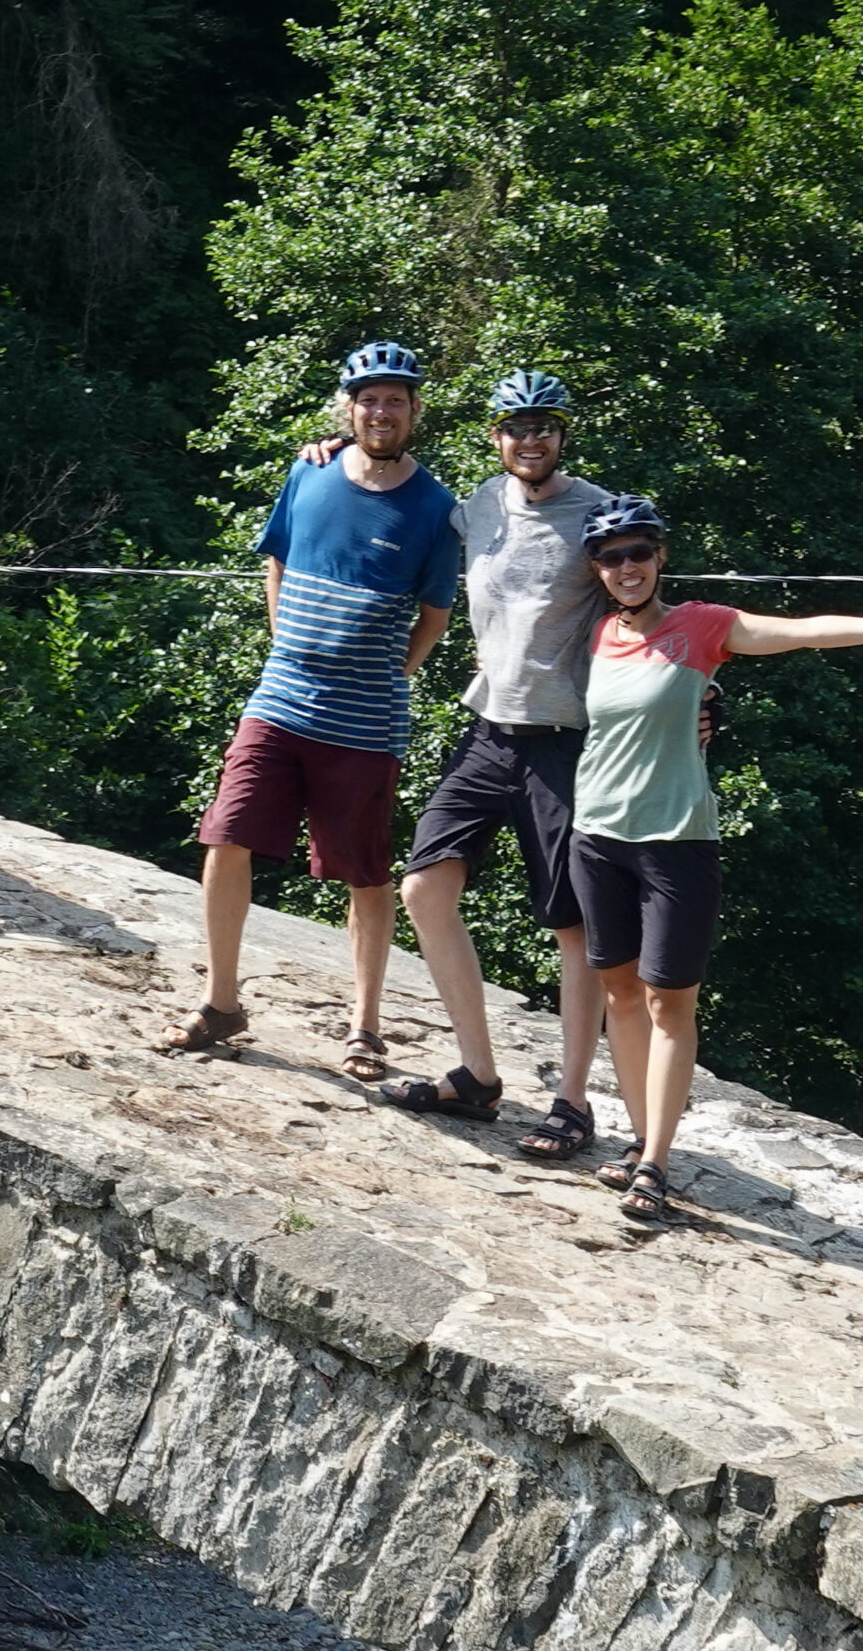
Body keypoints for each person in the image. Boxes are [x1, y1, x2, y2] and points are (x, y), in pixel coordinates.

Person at [565, 495, 863, 1223]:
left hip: (676, 841)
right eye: (610, 556)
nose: (626, 566)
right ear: (597, 569)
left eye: (638, 552)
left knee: (670, 1001)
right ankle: (636, 1140)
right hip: (597, 836)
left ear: (660, 557)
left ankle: (656, 1162)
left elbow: (798, 632)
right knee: (620, 993)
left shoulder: (701, 625)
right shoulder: (597, 634)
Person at [161, 341, 460, 1070]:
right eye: (368, 399)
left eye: (395, 399)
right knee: (226, 837)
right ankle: (222, 1000)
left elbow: (435, 615)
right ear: (347, 408)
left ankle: (364, 1025)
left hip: (366, 721)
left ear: (415, 411)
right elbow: (278, 560)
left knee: (365, 873)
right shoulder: (311, 470)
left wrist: (393, 673)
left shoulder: (436, 507)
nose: (381, 411)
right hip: (281, 698)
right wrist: (283, 644)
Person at [371, 370, 609, 1147]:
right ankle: (476, 1075)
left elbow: (648, 602)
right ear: (496, 435)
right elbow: (391, 486)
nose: (530, 439)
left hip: (567, 741)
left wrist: (695, 693)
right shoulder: (474, 505)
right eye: (515, 426)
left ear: (562, 434)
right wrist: (336, 447)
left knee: (574, 926)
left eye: (544, 425)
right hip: (487, 730)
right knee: (423, 889)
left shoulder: (600, 510)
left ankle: (572, 1100)